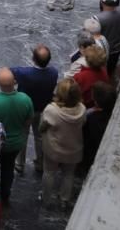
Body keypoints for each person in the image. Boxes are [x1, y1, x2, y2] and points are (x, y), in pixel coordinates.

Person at [0, 68, 33, 205]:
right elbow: (28, 123)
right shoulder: (26, 99)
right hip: (16, 144)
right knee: (9, 167)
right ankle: (5, 194)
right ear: (15, 82)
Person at [40, 78, 86, 210]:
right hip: (74, 148)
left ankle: (46, 198)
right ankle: (64, 199)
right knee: (69, 174)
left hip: (55, 149)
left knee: (49, 172)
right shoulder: (82, 109)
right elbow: (83, 123)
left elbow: (43, 126)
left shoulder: (52, 110)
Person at [12, 45, 59, 175]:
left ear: (33, 58)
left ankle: (19, 164)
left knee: (23, 135)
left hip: (26, 110)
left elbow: (9, 72)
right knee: (40, 137)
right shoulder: (54, 73)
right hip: (43, 109)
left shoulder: (24, 73)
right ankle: (40, 163)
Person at [82, 81, 118, 172]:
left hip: (89, 150)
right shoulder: (110, 113)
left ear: (97, 102)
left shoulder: (93, 118)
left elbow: (86, 135)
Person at [95, 0, 120, 76]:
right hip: (117, 47)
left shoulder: (97, 18)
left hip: (102, 50)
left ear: (102, 2)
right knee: (110, 69)